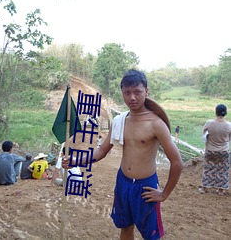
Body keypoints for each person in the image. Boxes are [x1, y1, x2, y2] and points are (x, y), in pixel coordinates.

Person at [62, 69, 183, 240]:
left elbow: (177, 162)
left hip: (145, 186)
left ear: (146, 91)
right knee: (125, 227)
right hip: (123, 182)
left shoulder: (156, 124)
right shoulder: (120, 120)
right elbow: (101, 151)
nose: (132, 97)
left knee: (151, 235)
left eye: (137, 92)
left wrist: (164, 194)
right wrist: (76, 160)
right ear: (122, 93)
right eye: (127, 93)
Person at [199, 104, 231, 196]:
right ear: (225, 113)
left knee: (208, 169)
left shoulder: (209, 123)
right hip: (223, 151)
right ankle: (221, 190)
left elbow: (204, 133)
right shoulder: (229, 125)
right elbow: (229, 138)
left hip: (210, 150)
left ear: (216, 112)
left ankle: (204, 188)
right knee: (222, 170)